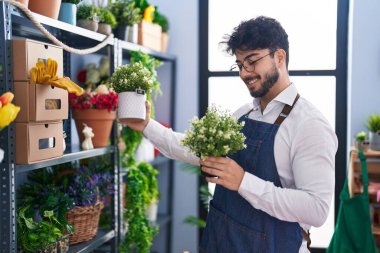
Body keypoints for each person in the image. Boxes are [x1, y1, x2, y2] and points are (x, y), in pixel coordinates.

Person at [124, 16, 338, 253]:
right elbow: (197, 150)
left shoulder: (310, 125)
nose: (244, 73)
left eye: (252, 61)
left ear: (279, 57)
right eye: (239, 64)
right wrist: (146, 125)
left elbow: (316, 210)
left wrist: (243, 182)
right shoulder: (244, 114)